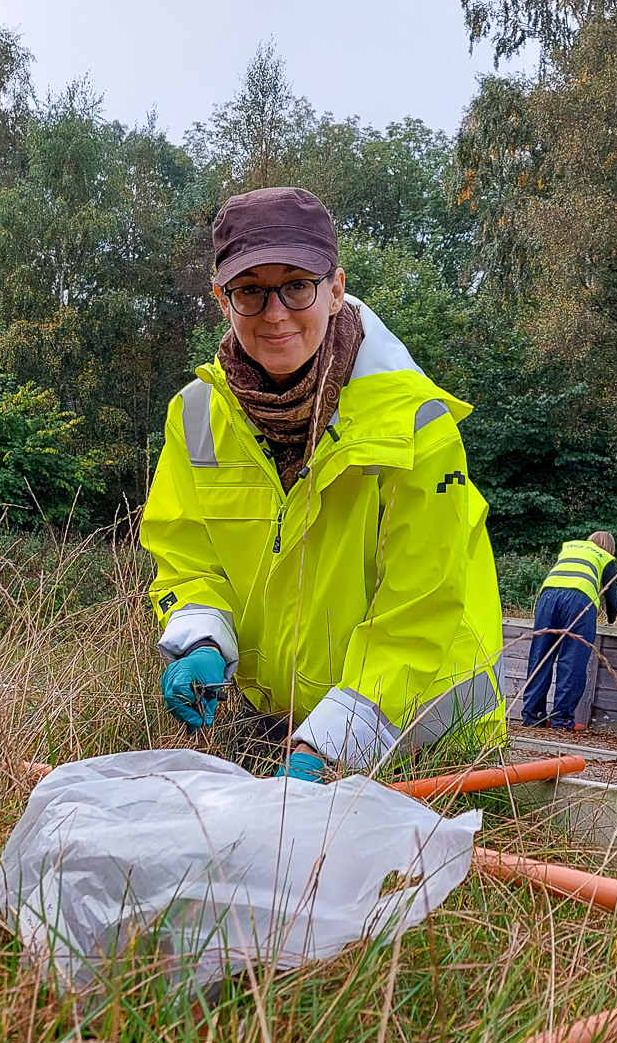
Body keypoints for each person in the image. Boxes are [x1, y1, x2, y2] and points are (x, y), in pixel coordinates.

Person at [140, 186, 504, 782]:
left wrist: (331, 745)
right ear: (221, 299)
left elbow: (419, 608)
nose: (276, 312)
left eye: (297, 286)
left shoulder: (415, 425)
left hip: (423, 734)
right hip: (282, 726)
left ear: (335, 289)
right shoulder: (198, 418)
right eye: (250, 290)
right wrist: (202, 638)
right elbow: (187, 556)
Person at [520, 531, 617, 730]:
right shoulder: (606, 558)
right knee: (572, 660)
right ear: (610, 548)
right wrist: (610, 620)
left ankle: (533, 716)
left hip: (547, 597)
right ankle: (562, 720)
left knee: (541, 656)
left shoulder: (570, 548)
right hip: (579, 600)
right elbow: (612, 600)